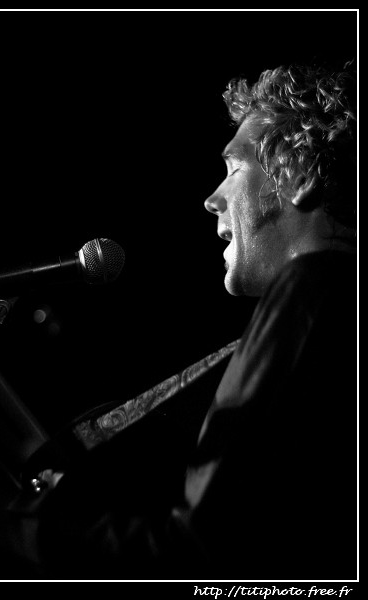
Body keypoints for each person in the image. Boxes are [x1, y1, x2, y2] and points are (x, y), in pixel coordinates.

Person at [30, 59, 357, 580]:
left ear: (299, 177)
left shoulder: (313, 290)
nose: (211, 199)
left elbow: (202, 549)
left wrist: (29, 533)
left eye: (233, 169)